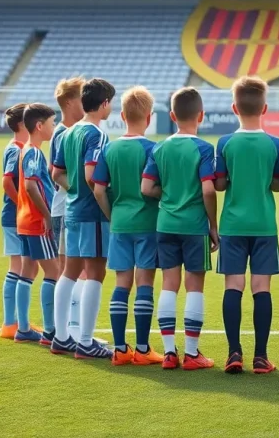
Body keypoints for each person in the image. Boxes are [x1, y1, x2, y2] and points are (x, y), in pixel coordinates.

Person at [140, 87, 218, 371]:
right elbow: (208, 189)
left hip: (166, 224)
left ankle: (169, 352)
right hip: (194, 225)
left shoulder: (159, 148)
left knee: (169, 285)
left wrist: (170, 195)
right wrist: (213, 225)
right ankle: (192, 354)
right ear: (201, 115)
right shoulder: (204, 148)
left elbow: (146, 188)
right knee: (194, 286)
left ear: (172, 115)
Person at [214, 77, 279, 375]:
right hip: (264, 224)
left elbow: (218, 184)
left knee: (233, 285)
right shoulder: (275, 144)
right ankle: (260, 356)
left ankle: (233, 353)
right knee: (261, 287)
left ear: (234, 108)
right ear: (264, 108)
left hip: (232, 223)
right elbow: (278, 185)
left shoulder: (225, 142)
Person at [91, 86, 164, 366]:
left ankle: (120, 350)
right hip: (147, 223)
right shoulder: (153, 149)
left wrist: (112, 215)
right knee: (145, 282)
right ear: (149, 117)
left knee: (122, 283)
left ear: (122, 115)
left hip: (120, 224)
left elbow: (98, 189)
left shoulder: (110, 148)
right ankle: (143, 349)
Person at [50, 78, 115, 359]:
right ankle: (86, 342)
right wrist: (108, 211)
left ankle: (61, 337)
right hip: (91, 214)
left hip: (72, 212)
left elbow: (57, 174)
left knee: (69, 272)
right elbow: (92, 176)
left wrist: (74, 189)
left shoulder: (68, 133)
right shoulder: (97, 135)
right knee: (96, 274)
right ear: (104, 104)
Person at [15, 103, 64, 345]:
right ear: (39, 125)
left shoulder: (25, 149)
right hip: (36, 221)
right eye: (52, 123)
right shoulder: (34, 151)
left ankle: (23, 327)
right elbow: (31, 185)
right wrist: (46, 215)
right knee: (54, 271)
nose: (54, 127)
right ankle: (50, 331)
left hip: (24, 220)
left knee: (27, 272)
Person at [50, 77, 86, 341]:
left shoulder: (70, 131)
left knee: (76, 269)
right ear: (71, 101)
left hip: (69, 207)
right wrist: (78, 189)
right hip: (66, 208)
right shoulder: (64, 132)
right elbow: (56, 173)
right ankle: (70, 330)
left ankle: (73, 329)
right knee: (71, 270)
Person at [0, 104, 33, 340]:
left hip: (13, 215)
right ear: (22, 124)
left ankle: (15, 322)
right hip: (15, 216)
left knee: (20, 267)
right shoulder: (17, 149)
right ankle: (13, 323)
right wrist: (21, 202)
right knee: (20, 268)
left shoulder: (17, 147)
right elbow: (7, 182)